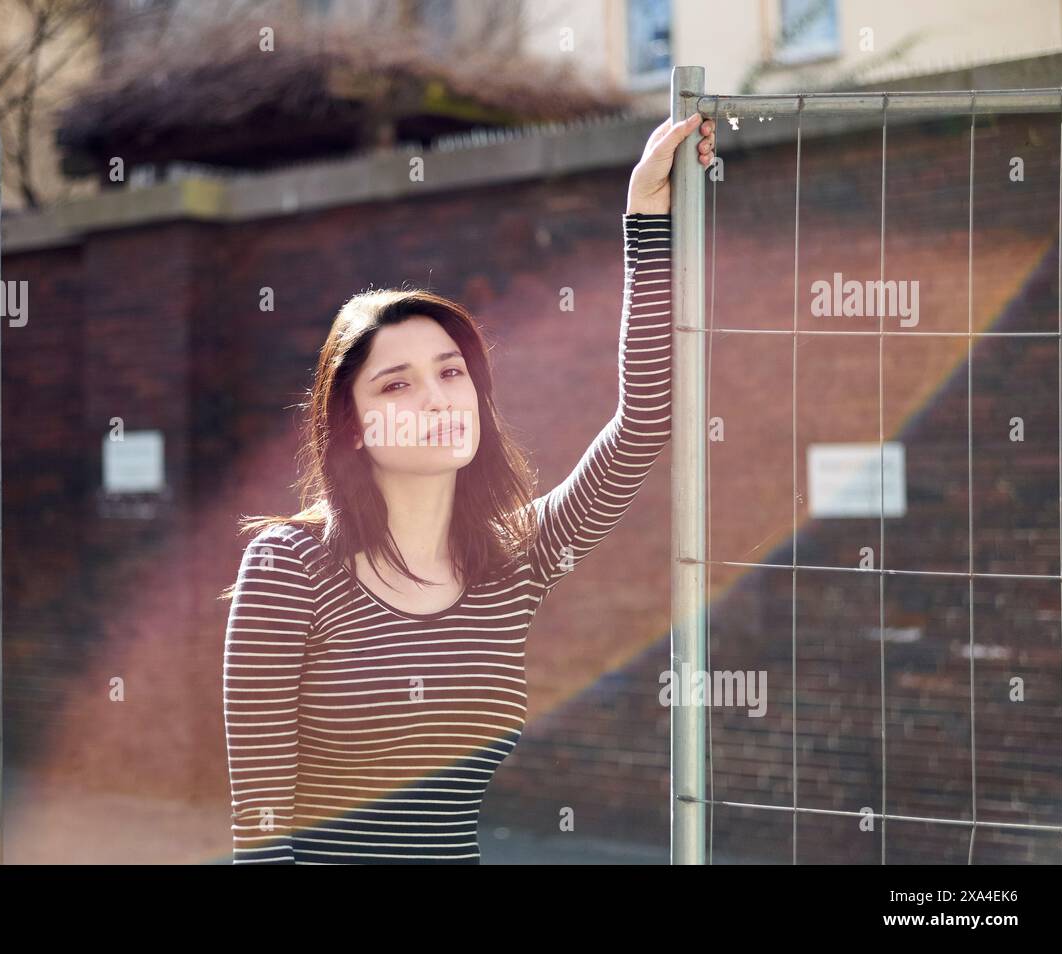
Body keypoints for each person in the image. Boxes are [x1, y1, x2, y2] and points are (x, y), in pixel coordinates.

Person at [219, 112, 716, 863]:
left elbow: (646, 423)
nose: (438, 398)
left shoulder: (517, 556)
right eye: (397, 384)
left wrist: (645, 216)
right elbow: (261, 833)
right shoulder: (289, 567)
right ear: (351, 426)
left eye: (452, 372)